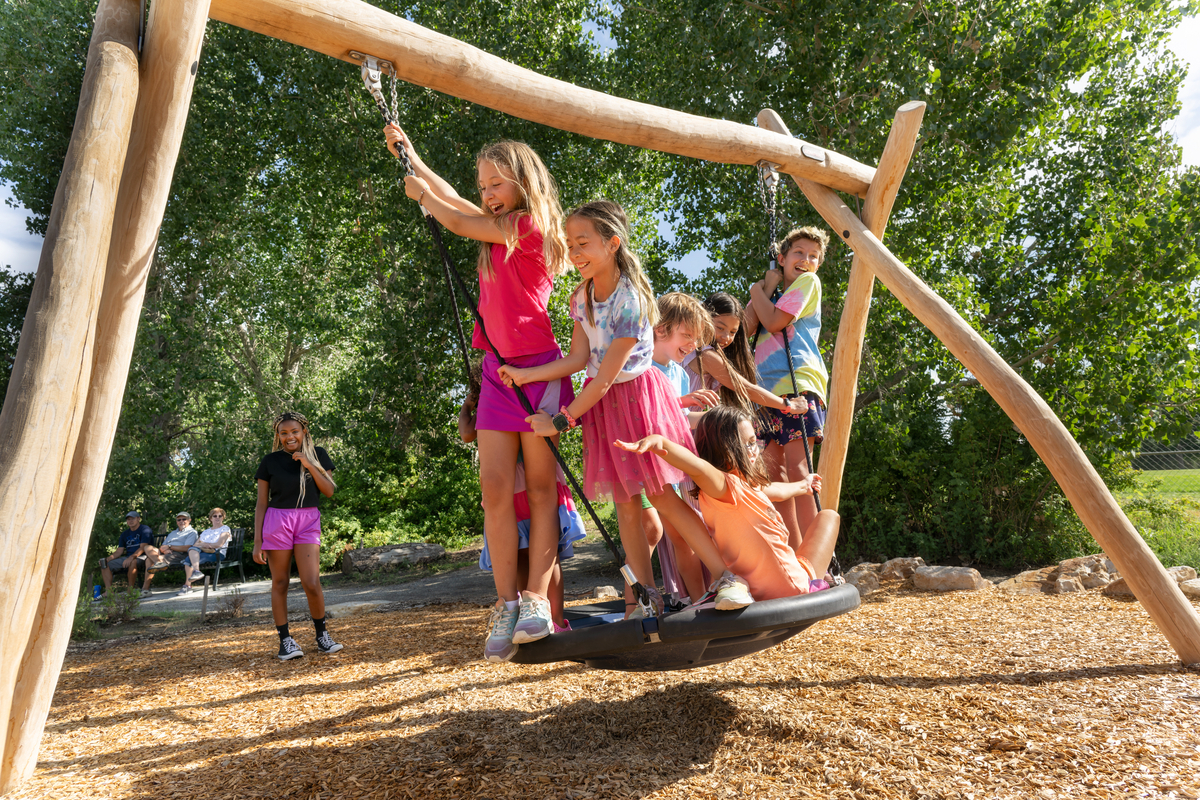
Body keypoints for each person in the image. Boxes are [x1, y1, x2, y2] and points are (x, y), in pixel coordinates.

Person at [500, 200, 754, 618]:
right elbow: (579, 361)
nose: (574, 252)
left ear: (612, 243)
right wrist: (527, 376)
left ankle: (727, 577)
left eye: (583, 243)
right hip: (604, 407)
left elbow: (603, 379)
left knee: (663, 497)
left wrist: (562, 420)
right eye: (570, 244)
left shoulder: (630, 300)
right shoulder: (580, 297)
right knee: (625, 507)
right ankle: (646, 598)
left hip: (637, 399)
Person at [384, 123, 575, 661]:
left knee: (540, 490)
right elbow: (456, 202)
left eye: (496, 184)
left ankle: (537, 599)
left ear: (522, 183)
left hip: (539, 370)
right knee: (495, 489)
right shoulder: (497, 223)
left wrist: (422, 194)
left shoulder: (530, 224)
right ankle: (506, 603)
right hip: (496, 371)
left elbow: (453, 215)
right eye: (483, 186)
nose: (487, 194)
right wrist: (414, 156)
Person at [616, 405, 841, 602]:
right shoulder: (724, 485)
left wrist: (804, 485)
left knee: (825, 519)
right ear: (724, 449)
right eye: (747, 444)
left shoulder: (744, 488)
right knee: (830, 517)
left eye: (755, 442)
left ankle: (807, 574)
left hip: (760, 587)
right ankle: (818, 578)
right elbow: (696, 466)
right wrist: (661, 443)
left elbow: (777, 490)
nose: (755, 451)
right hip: (790, 586)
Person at [459, 380, 585, 631]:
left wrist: (466, 407)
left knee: (527, 552)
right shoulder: (498, 399)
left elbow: (466, 432)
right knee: (536, 554)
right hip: (523, 483)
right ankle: (546, 619)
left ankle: (549, 619)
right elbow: (467, 434)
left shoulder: (500, 399)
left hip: (517, 486)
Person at [743, 227, 830, 548]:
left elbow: (775, 322)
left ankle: (815, 559)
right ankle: (792, 555)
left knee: (799, 470)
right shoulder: (774, 297)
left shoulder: (808, 283)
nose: (806, 260)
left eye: (813, 256)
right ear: (781, 259)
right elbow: (744, 328)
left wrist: (755, 289)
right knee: (773, 476)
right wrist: (767, 287)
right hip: (767, 395)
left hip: (798, 387)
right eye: (798, 253)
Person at [647, 292, 720, 602]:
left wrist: (709, 419)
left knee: (684, 537)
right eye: (686, 335)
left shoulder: (677, 372)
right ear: (661, 328)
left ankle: (698, 597)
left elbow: (678, 418)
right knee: (655, 533)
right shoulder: (644, 368)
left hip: (675, 468)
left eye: (696, 339)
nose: (692, 345)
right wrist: (685, 403)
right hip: (648, 468)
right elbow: (652, 415)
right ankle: (639, 604)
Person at [253, 411, 342, 660]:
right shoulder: (269, 461)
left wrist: (310, 464)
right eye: (284, 433)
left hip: (307, 520)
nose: (289, 437)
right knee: (280, 582)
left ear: (304, 432)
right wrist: (257, 541)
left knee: (311, 582)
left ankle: (322, 636)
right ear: (278, 436)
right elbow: (261, 503)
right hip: (277, 521)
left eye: (294, 431)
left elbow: (329, 491)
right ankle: (285, 641)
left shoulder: (319, 454)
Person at [681, 292, 806, 417]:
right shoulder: (706, 355)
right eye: (720, 328)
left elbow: (747, 321)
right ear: (704, 319)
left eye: (732, 332)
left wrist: (765, 289)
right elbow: (745, 388)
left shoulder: (693, 350)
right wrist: (788, 404)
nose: (726, 337)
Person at [97, 512, 153, 598]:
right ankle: (109, 591)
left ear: (138, 519)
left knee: (132, 561)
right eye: (128, 519)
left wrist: (131, 557)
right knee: (105, 564)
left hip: (144, 556)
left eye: (133, 519)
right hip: (128, 557)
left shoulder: (145, 529)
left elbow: (143, 547)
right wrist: (107, 559)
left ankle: (130, 589)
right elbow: (119, 550)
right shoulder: (125, 534)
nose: (130, 521)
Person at [177, 508, 232, 594]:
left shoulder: (225, 529)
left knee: (188, 559)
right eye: (215, 516)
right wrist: (204, 545)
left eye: (220, 516)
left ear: (223, 517)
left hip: (217, 553)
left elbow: (219, 544)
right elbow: (195, 544)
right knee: (190, 553)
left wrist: (203, 543)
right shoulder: (206, 531)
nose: (217, 518)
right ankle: (196, 573)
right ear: (211, 518)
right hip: (203, 552)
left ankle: (188, 586)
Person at [141, 512, 198, 595]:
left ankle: (145, 590)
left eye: (184, 519)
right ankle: (158, 562)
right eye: (179, 520)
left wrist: (170, 547)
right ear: (176, 522)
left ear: (189, 520)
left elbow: (187, 548)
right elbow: (162, 546)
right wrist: (165, 550)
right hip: (167, 553)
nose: (181, 521)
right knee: (147, 547)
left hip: (180, 555)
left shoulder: (192, 532)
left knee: (149, 560)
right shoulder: (173, 533)